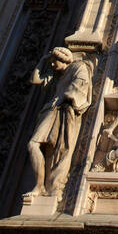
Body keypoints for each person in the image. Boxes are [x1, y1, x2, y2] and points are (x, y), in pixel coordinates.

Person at [26, 48, 92, 196]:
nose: (53, 65)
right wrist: (44, 60)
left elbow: (80, 85)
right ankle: (40, 186)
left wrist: (63, 98)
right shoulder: (58, 75)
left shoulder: (78, 67)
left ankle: (42, 186)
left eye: (54, 62)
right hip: (50, 111)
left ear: (64, 59)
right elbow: (34, 80)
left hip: (60, 110)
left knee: (38, 145)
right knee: (38, 146)